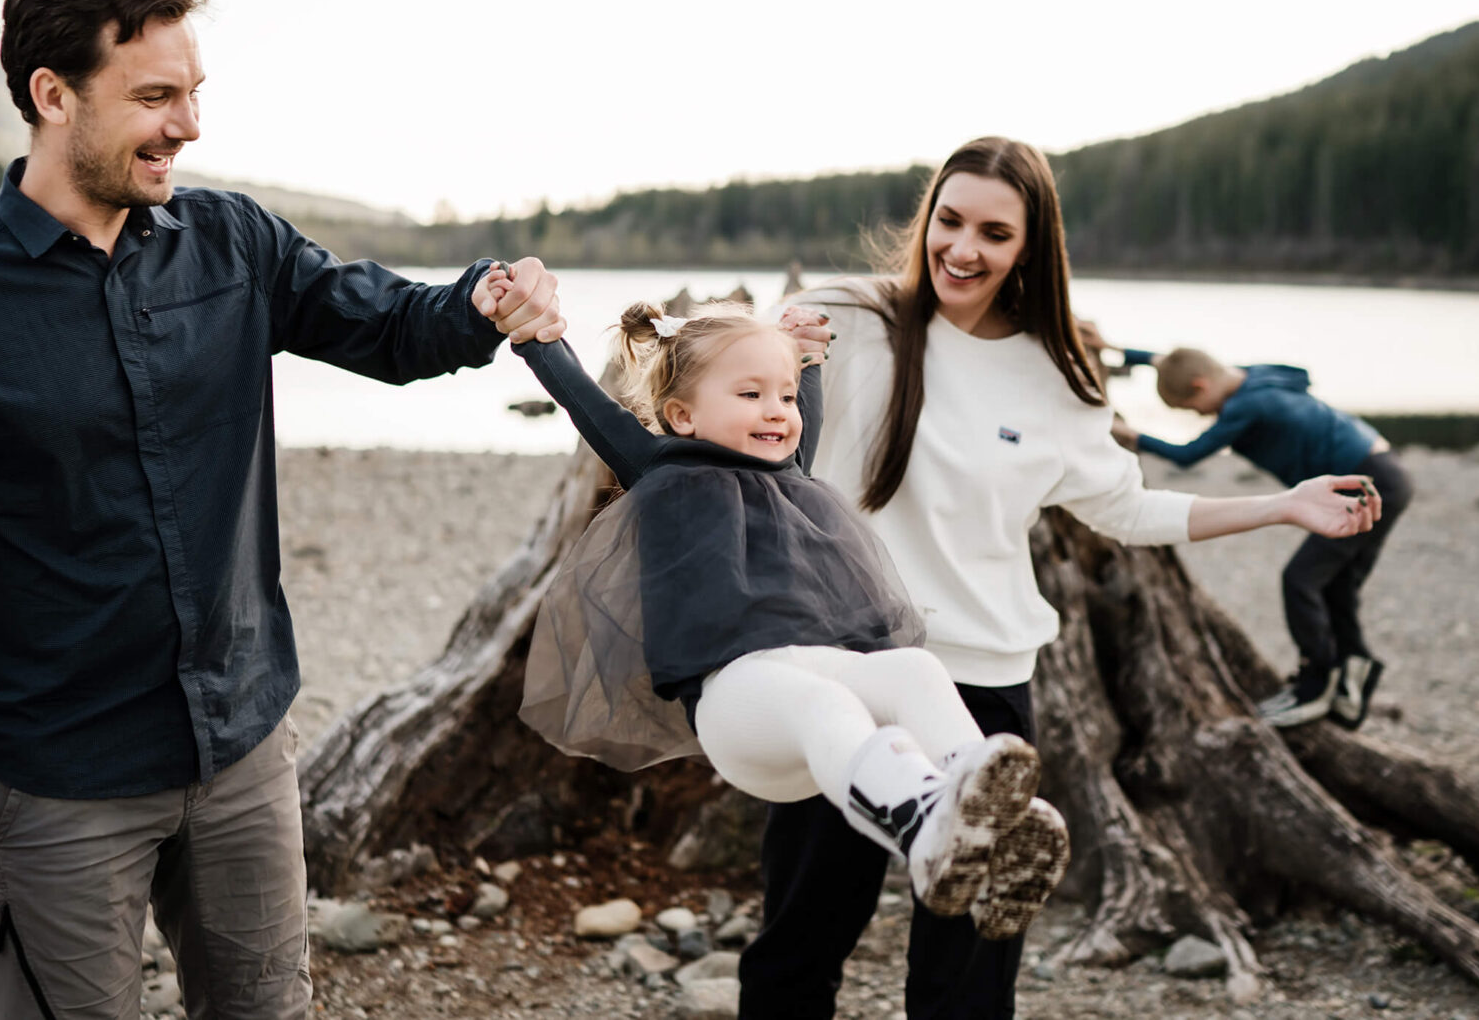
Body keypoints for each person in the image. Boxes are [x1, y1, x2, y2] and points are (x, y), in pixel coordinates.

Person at [0, 0, 565, 1019]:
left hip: (245, 754)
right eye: (155, 97)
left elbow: (390, 323)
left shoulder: (234, 243)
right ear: (51, 94)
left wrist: (486, 299)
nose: (189, 125)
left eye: (195, 93)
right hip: (57, 784)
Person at [753, 135, 1382, 1020]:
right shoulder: (842, 316)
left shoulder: (1059, 379)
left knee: (968, 973)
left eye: (994, 232)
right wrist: (764, 346)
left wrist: (1284, 507)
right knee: (801, 942)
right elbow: (717, 383)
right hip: (844, 675)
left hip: (981, 693)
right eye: (950, 219)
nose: (963, 248)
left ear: (1029, 247)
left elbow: (1126, 510)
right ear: (928, 217)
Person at [490, 287, 1070, 939]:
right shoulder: (660, 467)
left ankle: (991, 830)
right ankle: (924, 822)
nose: (779, 412)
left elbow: (806, 409)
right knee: (827, 705)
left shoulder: (790, 476)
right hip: (740, 702)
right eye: (751, 395)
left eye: (786, 396)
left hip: (818, 683)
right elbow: (582, 399)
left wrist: (810, 356)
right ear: (681, 414)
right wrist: (531, 329)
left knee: (913, 669)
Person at [1109, 345, 1412, 728]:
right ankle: (1351, 689)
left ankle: (1314, 687)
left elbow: (1187, 455)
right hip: (1386, 471)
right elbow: (1183, 364)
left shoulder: (1246, 407)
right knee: (1337, 586)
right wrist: (1125, 353)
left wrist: (1123, 432)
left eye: (1193, 407)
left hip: (1366, 481)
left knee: (1300, 580)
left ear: (1201, 386)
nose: (1201, 415)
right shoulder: (1256, 376)